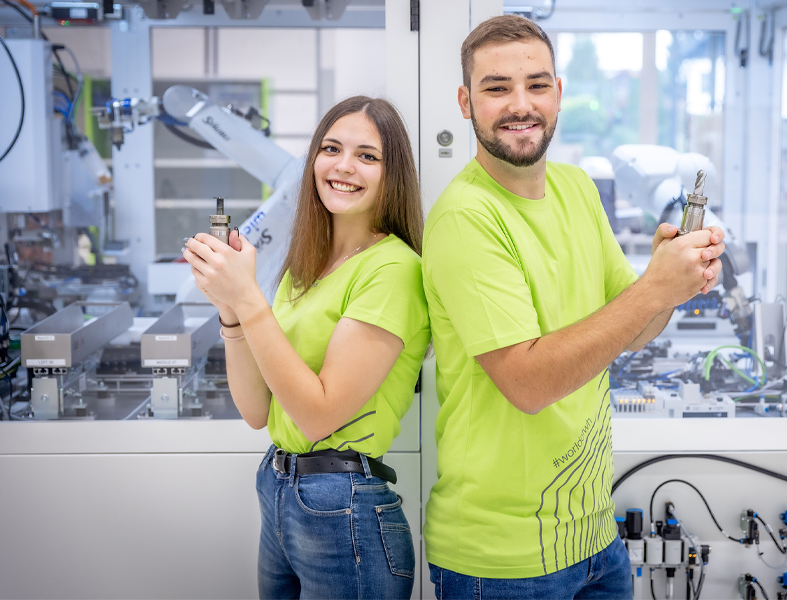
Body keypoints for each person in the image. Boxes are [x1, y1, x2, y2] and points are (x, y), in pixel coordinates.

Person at [421, 15, 726, 599]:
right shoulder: (467, 218)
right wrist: (655, 288)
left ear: (558, 94)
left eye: (537, 85)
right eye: (496, 87)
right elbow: (529, 383)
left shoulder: (577, 188)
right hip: (501, 562)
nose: (521, 104)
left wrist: (673, 280)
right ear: (465, 102)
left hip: (593, 541)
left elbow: (633, 329)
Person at [183, 95, 428, 600]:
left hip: (343, 507)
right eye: (331, 148)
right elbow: (256, 410)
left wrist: (248, 299)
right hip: (278, 490)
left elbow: (319, 416)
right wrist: (229, 307)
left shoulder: (394, 270)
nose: (343, 166)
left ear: (392, 174)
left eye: (367, 155)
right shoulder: (305, 268)